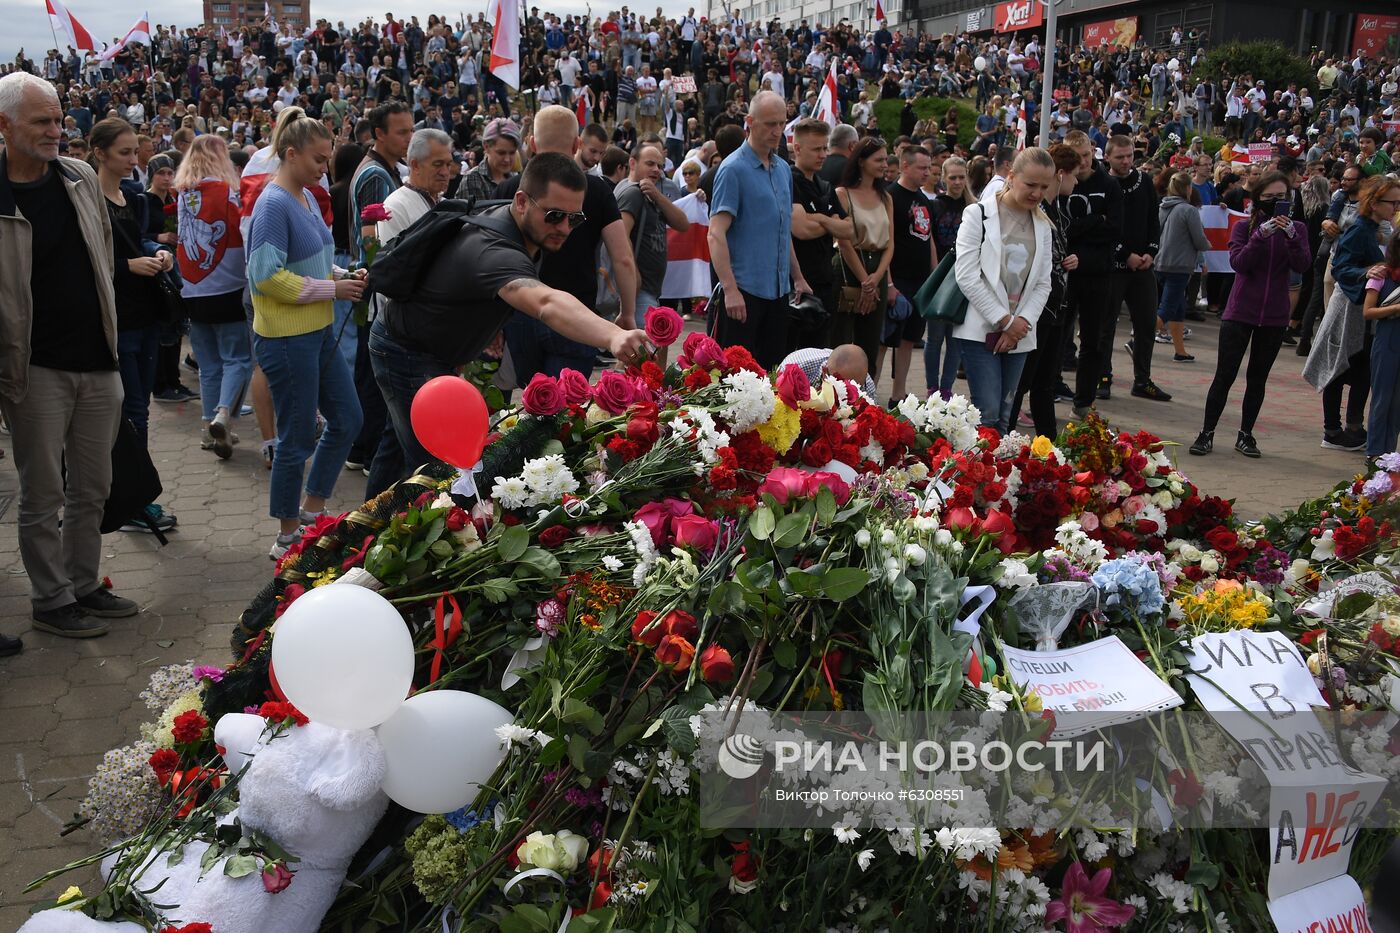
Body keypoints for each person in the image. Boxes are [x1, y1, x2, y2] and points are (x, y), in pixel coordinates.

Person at [370, 152, 651, 488]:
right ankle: (369, 534)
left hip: (429, 347)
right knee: (435, 473)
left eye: (574, 219)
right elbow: (545, 302)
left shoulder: (522, 226)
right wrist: (612, 335)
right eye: (554, 215)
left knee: (397, 443)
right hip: (406, 351)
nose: (564, 228)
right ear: (521, 201)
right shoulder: (493, 248)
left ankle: (360, 531)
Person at [0, 72, 140, 645]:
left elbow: (103, 257)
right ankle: (49, 598)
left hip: (97, 360)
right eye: (42, 121)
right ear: (4, 127)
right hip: (34, 368)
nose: (58, 131)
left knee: (95, 486)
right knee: (43, 493)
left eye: (60, 119)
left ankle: (84, 584)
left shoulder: (79, 177)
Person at [246, 107, 366, 559]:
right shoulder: (275, 203)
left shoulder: (306, 196)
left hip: (314, 332)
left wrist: (342, 275)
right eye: (318, 159)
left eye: (327, 158)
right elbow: (266, 277)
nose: (324, 168)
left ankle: (313, 511)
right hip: (287, 338)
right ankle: (287, 537)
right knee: (296, 438)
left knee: (348, 418)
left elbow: (311, 260)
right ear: (290, 154)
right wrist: (332, 289)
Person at [91, 118, 180, 535]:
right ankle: (135, 500)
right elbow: (83, 259)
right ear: (100, 152)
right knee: (134, 414)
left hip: (146, 315)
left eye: (133, 151)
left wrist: (157, 254)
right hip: (117, 320)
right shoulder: (88, 197)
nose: (133, 159)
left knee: (139, 408)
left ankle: (134, 496)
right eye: (124, 152)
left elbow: (139, 238)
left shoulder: (130, 196)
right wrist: (129, 265)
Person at [1190, 171, 1312, 459]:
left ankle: (1246, 434)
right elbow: (1239, 263)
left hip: (1274, 315)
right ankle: (1206, 432)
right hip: (1240, 311)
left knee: (1258, 378)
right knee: (1225, 375)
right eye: (1268, 197)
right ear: (1257, 199)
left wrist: (1291, 236)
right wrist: (1261, 235)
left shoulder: (1299, 229)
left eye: (1280, 197)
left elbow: (1303, 264)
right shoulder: (1244, 228)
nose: (1275, 202)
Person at [952, 147, 1055, 434]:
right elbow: (967, 274)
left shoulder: (1043, 225)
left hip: (1022, 330)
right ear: (1011, 176)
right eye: (1030, 184)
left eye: (1044, 187)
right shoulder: (978, 214)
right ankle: (975, 475)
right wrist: (1005, 321)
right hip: (980, 327)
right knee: (987, 413)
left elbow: (1044, 281)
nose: (1037, 193)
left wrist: (1020, 324)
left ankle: (999, 475)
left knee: (1006, 413)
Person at [708, 92, 811, 369]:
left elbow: (782, 230)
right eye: (769, 124)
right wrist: (730, 290)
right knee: (736, 382)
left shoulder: (783, 170)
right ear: (750, 122)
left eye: (781, 123)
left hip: (778, 292)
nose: (777, 131)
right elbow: (715, 233)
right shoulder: (732, 169)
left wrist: (798, 277)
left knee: (772, 378)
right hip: (743, 293)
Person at [1305, 176, 1399, 451]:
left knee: (1360, 368)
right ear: (1373, 202)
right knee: (1337, 366)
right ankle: (1332, 430)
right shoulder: (1358, 229)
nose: (1396, 206)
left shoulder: (1375, 229)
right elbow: (1341, 268)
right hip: (1348, 308)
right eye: (1392, 201)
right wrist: (1366, 272)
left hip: (1361, 310)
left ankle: (1353, 426)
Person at [173, 134, 250, 462]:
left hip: (192, 286)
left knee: (208, 364)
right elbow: (241, 230)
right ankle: (223, 415)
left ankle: (209, 428)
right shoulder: (228, 191)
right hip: (227, 284)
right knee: (238, 359)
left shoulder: (183, 193)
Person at [1010, 143, 1079, 439]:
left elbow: (1055, 255)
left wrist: (1069, 260)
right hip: (1035, 312)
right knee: (1023, 381)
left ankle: (1049, 444)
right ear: (1061, 176)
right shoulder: (1037, 214)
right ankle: (1004, 435)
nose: (1077, 183)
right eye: (1075, 176)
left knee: (1045, 382)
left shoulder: (1057, 213)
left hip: (1056, 308)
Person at [1059, 130, 1123, 419]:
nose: (1083, 162)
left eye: (1086, 155)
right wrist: (1096, 219)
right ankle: (1050, 388)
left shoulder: (1108, 185)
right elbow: (1064, 229)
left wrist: (1088, 229)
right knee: (1058, 335)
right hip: (1066, 271)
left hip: (1099, 272)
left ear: (1093, 151)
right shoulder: (1062, 185)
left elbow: (1115, 229)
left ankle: (1084, 400)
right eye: (1077, 158)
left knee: (1093, 340)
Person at [1102, 135, 1171, 402]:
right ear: (1108, 156)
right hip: (1114, 267)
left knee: (1145, 324)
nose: (1126, 161)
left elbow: (1154, 219)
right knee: (1105, 325)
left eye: (1129, 155)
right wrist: (1125, 254)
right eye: (1120, 156)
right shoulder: (1104, 184)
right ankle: (1103, 377)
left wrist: (1150, 252)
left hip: (1143, 267)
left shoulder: (1144, 183)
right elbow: (1104, 228)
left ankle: (1142, 379)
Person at [831, 135, 894, 376]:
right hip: (849, 268)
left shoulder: (885, 197)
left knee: (870, 340)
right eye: (878, 160)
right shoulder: (843, 194)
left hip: (877, 269)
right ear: (861, 161)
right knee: (842, 339)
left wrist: (875, 279)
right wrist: (865, 281)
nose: (884, 165)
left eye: (885, 160)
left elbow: (890, 244)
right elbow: (844, 242)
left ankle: (867, 398)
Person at [789, 118, 853, 352]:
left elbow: (848, 229)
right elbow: (800, 229)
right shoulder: (789, 180)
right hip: (797, 284)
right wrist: (830, 221)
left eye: (825, 148)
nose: (823, 154)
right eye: (816, 149)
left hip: (825, 280)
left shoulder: (825, 186)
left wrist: (818, 219)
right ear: (797, 148)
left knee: (819, 354)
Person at [616, 140, 691, 322]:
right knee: (644, 349)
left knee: (652, 347)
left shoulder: (649, 194)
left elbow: (683, 224)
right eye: (650, 164)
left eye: (660, 166)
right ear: (633, 163)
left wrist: (657, 196)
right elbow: (619, 238)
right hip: (638, 291)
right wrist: (633, 273)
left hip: (650, 290)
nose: (657, 170)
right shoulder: (632, 193)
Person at [884, 145, 936, 403]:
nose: (927, 172)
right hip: (898, 279)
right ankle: (868, 393)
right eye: (921, 167)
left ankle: (898, 393)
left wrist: (935, 276)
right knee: (885, 340)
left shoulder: (924, 199)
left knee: (908, 341)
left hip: (920, 282)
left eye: (929, 168)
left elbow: (930, 240)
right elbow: (885, 241)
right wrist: (889, 282)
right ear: (905, 166)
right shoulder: (891, 196)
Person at [143, 153, 196, 404]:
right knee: (165, 328)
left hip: (177, 267)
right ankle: (161, 384)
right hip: (158, 269)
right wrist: (160, 238)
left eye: (169, 173)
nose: (166, 178)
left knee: (176, 327)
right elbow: (139, 235)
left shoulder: (175, 199)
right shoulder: (144, 200)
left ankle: (173, 381)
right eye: (161, 173)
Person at [926, 155, 974, 400]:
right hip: (939, 275)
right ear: (943, 178)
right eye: (952, 177)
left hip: (965, 278)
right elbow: (930, 241)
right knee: (934, 337)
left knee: (956, 339)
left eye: (961, 177)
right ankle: (931, 387)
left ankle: (946, 388)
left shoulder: (973, 207)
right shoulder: (935, 206)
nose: (957, 182)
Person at [1154, 171, 1211, 362]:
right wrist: (1207, 247)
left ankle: (1180, 351)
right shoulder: (1188, 210)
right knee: (1167, 309)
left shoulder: (1162, 207)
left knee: (1177, 309)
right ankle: (1139, 340)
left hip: (1161, 263)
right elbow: (1199, 238)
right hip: (1179, 265)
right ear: (1188, 188)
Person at [1363, 232, 1400, 458]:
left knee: (1397, 403)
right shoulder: (1382, 275)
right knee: (1381, 399)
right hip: (1386, 341)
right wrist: (1395, 309)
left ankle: (1390, 454)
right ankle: (1375, 453)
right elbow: (1368, 312)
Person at [778, 343, 878, 398]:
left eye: (857, 387)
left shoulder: (867, 387)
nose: (848, 394)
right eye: (842, 386)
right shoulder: (794, 369)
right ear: (825, 371)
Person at [460, 116, 520, 199]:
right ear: (486, 147)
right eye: (501, 153)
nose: (507, 159)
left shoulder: (515, 178)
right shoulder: (473, 179)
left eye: (512, 153)